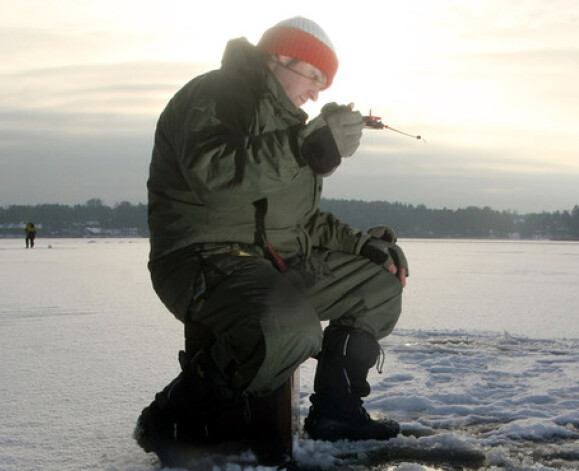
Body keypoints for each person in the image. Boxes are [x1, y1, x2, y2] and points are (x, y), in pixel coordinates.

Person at [134, 16, 408, 458]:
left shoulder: (292, 127)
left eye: (325, 82)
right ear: (282, 57)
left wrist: (362, 246)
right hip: (204, 263)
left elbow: (301, 220)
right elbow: (214, 176)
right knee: (290, 329)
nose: (318, 92)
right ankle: (176, 413)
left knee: (377, 284)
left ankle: (336, 412)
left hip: (276, 263)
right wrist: (302, 145)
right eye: (314, 75)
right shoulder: (214, 95)